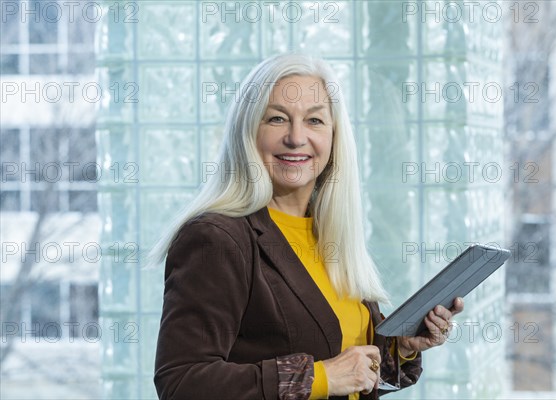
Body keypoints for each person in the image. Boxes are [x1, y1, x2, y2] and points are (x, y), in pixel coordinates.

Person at [150, 53, 464, 400]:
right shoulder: (216, 238)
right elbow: (182, 383)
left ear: (334, 135)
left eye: (314, 121)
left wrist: (401, 347)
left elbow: (349, 364)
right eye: (277, 119)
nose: (296, 137)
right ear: (248, 130)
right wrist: (320, 377)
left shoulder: (330, 232)